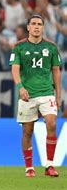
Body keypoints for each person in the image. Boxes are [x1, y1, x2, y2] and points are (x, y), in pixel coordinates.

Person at [9, 14, 61, 178]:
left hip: (47, 92)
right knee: (27, 131)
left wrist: (58, 94)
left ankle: (49, 165)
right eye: (34, 24)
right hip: (27, 94)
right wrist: (20, 87)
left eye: (40, 24)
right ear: (28, 27)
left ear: (43, 28)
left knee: (52, 123)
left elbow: (56, 71)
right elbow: (15, 68)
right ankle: (29, 167)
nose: (37, 26)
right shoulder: (19, 47)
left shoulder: (51, 47)